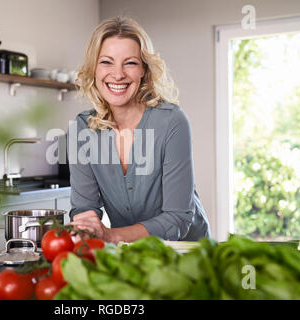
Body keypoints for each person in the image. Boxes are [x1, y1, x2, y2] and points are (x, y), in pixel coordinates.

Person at [67, 16, 210, 244]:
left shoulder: (172, 122)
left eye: (130, 63)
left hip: (185, 252)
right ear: (94, 68)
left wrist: (110, 235)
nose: (118, 74)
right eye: (106, 62)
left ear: (144, 69)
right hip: (130, 253)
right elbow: (84, 208)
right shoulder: (82, 129)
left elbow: (177, 219)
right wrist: (87, 226)